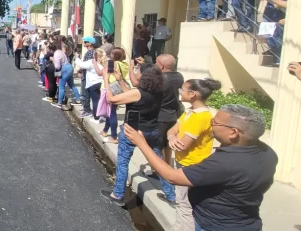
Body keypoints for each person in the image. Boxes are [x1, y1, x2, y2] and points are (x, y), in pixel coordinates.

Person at [124, 104, 277, 231]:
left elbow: (172, 176)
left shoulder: (224, 163)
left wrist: (141, 143)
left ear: (233, 132)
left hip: (215, 226)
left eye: (214, 123)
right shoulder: (268, 153)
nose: (211, 126)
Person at [100, 64, 176, 207]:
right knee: (159, 162)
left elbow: (111, 99)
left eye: (138, 71)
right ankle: (171, 195)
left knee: (123, 161)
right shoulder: (158, 91)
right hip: (152, 130)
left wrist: (106, 78)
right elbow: (132, 96)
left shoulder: (139, 92)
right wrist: (121, 80)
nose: (136, 73)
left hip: (133, 131)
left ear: (144, 76)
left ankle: (117, 194)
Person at [164, 78, 222, 231]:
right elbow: (173, 129)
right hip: (183, 163)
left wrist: (174, 140)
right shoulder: (189, 112)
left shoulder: (200, 117)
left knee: (186, 206)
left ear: (193, 94)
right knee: (180, 201)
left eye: (182, 89)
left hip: (191, 165)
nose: (180, 92)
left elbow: (182, 145)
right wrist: (171, 137)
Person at [99, 47, 130, 144]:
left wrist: (103, 65)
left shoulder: (113, 63)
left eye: (112, 53)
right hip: (120, 88)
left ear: (115, 55)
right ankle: (105, 130)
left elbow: (105, 74)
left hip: (111, 88)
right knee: (110, 111)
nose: (110, 55)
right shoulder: (125, 64)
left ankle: (113, 136)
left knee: (112, 113)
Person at [77, 43, 104, 119]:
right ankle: (101, 114)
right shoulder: (104, 62)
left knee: (95, 100)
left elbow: (81, 65)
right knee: (99, 100)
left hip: (93, 83)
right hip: (101, 83)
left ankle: (96, 116)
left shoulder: (92, 62)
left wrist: (76, 58)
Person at [53, 38, 81, 109]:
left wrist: (54, 61)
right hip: (69, 67)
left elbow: (57, 66)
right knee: (72, 84)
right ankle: (78, 99)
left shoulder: (56, 53)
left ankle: (59, 103)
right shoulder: (61, 52)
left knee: (61, 86)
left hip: (64, 69)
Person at [78, 36, 96, 117]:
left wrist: (80, 69)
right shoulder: (92, 52)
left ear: (89, 43)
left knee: (86, 93)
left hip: (87, 75)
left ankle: (87, 110)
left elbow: (86, 65)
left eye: (85, 42)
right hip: (87, 74)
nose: (83, 43)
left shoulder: (90, 53)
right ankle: (86, 108)